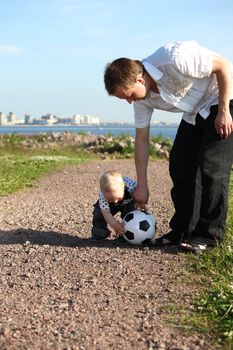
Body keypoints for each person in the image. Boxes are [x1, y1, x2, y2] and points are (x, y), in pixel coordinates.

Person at [104, 40, 233, 253]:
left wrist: (224, 110)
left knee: (211, 165)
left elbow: (223, 66)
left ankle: (210, 236)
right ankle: (183, 231)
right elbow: (142, 140)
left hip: (224, 99)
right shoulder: (141, 100)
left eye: (128, 95)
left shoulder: (175, 58)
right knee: (180, 164)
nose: (129, 102)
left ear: (139, 79)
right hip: (195, 112)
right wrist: (142, 186)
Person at [91, 171, 136, 241]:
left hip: (128, 203)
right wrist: (114, 225)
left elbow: (139, 193)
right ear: (102, 192)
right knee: (99, 212)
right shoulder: (103, 196)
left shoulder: (130, 185)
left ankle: (126, 234)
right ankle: (100, 232)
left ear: (123, 187)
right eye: (110, 199)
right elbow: (106, 212)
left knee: (131, 214)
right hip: (109, 206)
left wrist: (139, 202)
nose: (115, 201)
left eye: (118, 198)